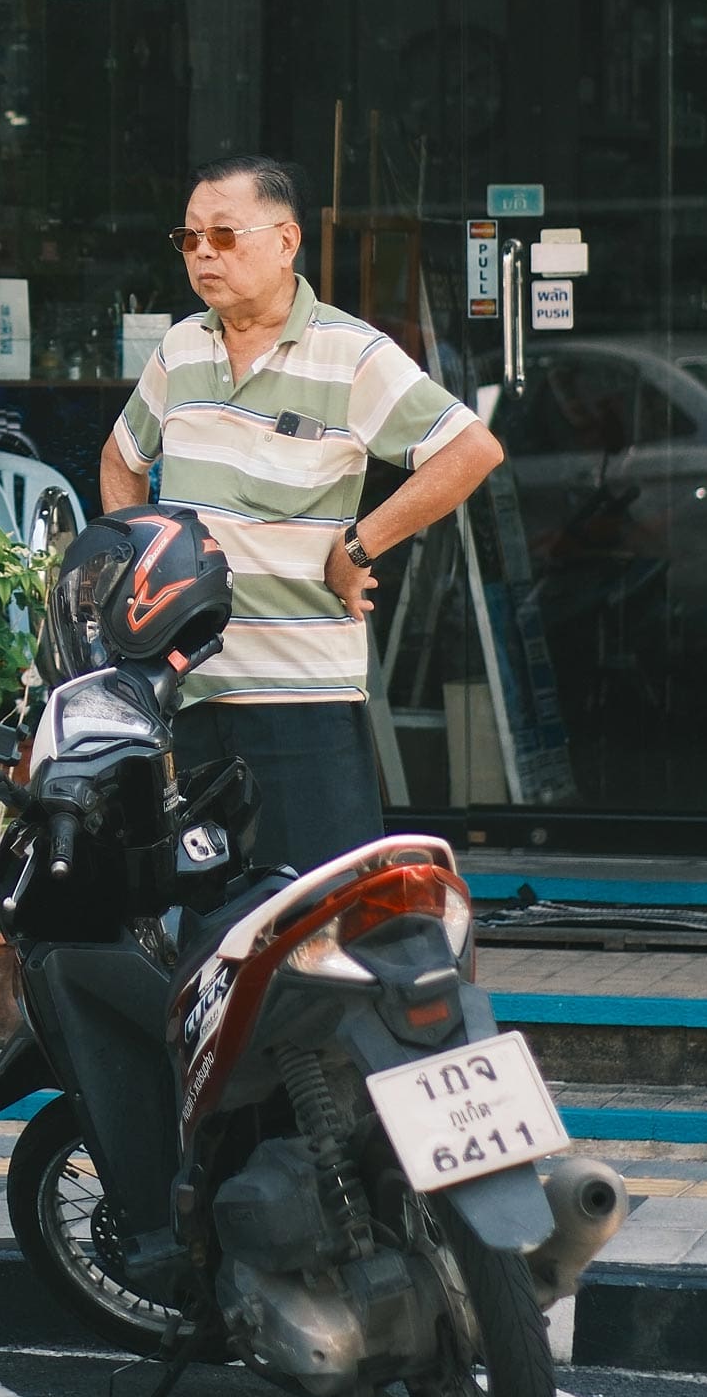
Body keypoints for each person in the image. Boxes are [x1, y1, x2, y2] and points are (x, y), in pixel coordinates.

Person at [100, 155, 503, 873]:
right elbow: (121, 459)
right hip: (189, 691)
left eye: (224, 236)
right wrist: (140, 581)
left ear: (286, 241)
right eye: (190, 239)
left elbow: (470, 450)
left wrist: (358, 544)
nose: (203, 255)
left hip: (301, 697)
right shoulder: (181, 349)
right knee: (210, 927)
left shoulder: (349, 354)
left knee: (316, 920)